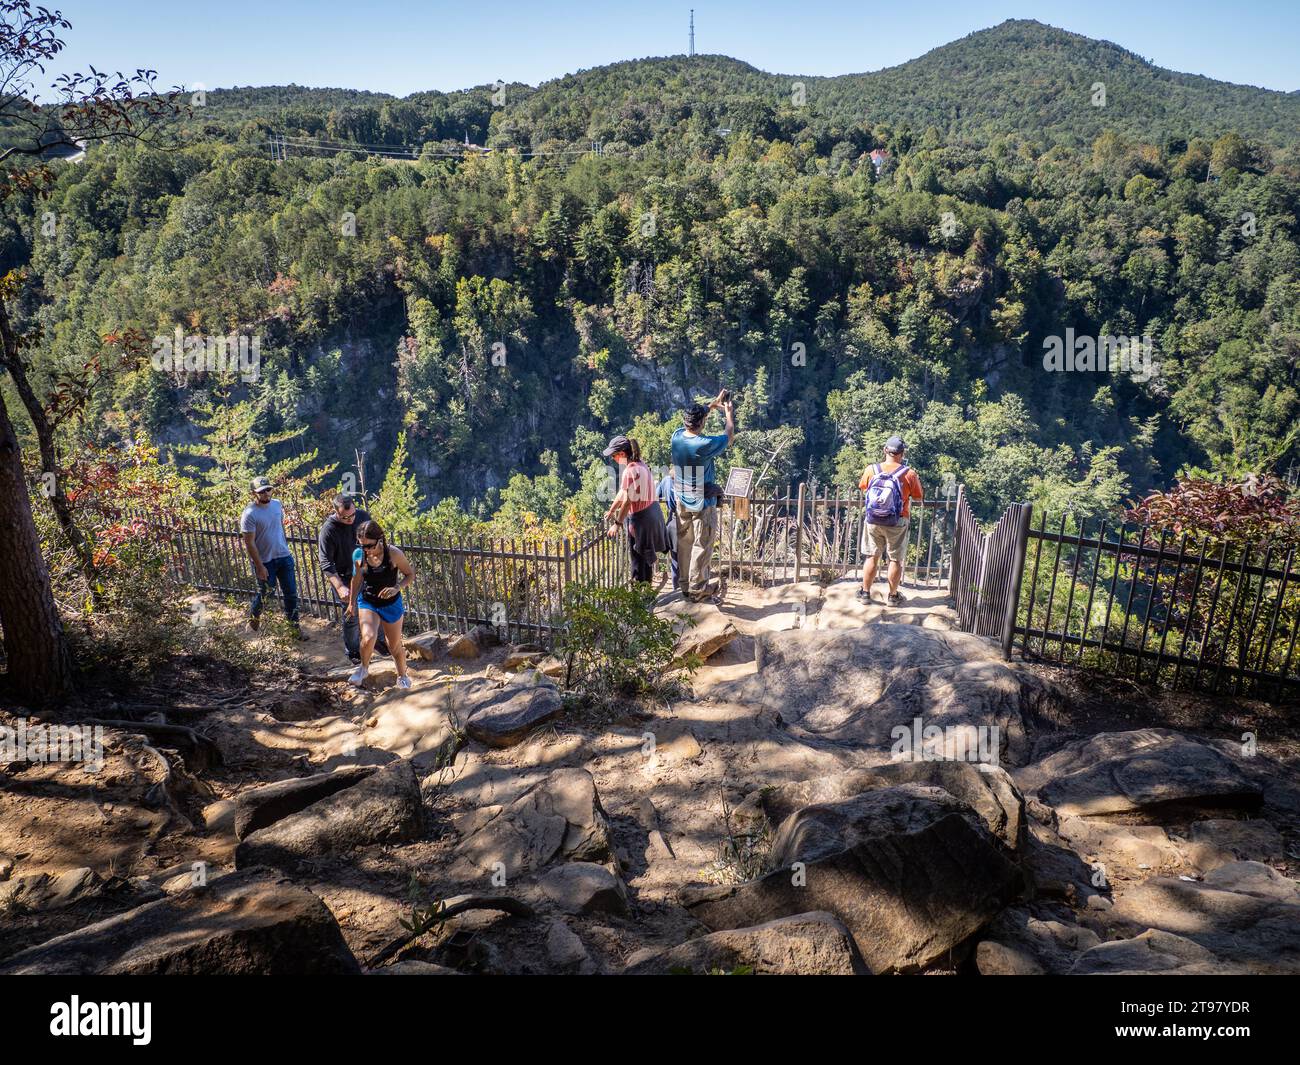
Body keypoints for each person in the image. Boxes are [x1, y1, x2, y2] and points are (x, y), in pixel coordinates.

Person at [671, 391, 734, 601]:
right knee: (703, 542)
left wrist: (713, 404)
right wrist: (728, 413)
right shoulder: (703, 444)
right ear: (702, 424)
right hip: (701, 499)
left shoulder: (677, 436)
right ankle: (699, 588)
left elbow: (697, 418)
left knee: (685, 542)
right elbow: (729, 435)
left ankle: (686, 585)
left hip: (682, 496)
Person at [318, 493, 388, 663]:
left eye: (352, 515)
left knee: (376, 607)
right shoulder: (328, 530)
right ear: (335, 512)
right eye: (345, 517)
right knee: (352, 614)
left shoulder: (363, 517)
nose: (350, 520)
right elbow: (326, 563)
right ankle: (354, 651)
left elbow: (378, 539)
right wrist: (340, 587)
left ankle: (380, 642)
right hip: (343, 577)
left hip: (366, 572)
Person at [346, 519, 415, 689]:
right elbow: (356, 579)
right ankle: (363, 668)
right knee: (368, 637)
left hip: (391, 604)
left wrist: (397, 588)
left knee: (394, 645)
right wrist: (351, 603)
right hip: (368, 601)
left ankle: (402, 676)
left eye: (369, 546)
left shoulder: (394, 554)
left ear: (380, 539)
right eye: (362, 546)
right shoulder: (359, 555)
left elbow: (410, 575)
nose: (366, 550)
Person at [858, 435, 924, 606]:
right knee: (895, 559)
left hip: (873, 519)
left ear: (885, 450)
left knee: (872, 556)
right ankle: (893, 597)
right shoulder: (909, 473)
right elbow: (918, 496)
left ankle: (865, 594)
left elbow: (864, 488)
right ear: (902, 453)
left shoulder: (871, 470)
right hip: (898, 520)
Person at [240, 475, 304, 638]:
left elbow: (279, 527)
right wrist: (260, 566)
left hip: (284, 556)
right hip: (265, 561)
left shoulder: (277, 505)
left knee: (291, 594)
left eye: (268, 490)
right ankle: (254, 617)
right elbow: (249, 543)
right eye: (261, 492)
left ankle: (294, 630)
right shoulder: (249, 514)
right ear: (254, 493)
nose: (266, 494)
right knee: (266, 593)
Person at [602, 434, 669, 584]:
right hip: (652, 513)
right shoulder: (640, 464)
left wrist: (617, 524)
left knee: (637, 560)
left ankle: (639, 597)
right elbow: (623, 492)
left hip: (641, 519)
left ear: (622, 454)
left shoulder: (629, 471)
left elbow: (627, 501)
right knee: (645, 558)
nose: (613, 459)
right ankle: (647, 590)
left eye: (614, 455)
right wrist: (612, 510)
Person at [656, 468, 680, 592]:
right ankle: (686, 590)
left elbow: (656, 495)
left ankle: (676, 590)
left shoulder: (665, 480)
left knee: (675, 561)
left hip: (671, 522)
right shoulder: (684, 481)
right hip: (684, 522)